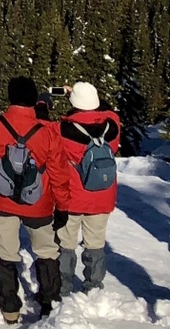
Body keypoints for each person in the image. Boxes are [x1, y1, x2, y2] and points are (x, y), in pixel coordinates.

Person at [0, 75, 68, 323]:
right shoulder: (48, 132)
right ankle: (48, 303)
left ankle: (10, 308)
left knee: (5, 251)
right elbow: (59, 173)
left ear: (10, 97)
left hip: (0, 201)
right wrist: (63, 206)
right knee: (46, 251)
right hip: (40, 204)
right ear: (34, 100)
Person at [54, 80, 122, 294]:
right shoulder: (113, 124)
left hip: (72, 197)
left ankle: (62, 286)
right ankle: (93, 286)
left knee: (65, 244)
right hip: (102, 196)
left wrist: (59, 96)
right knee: (96, 244)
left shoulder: (63, 128)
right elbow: (108, 109)